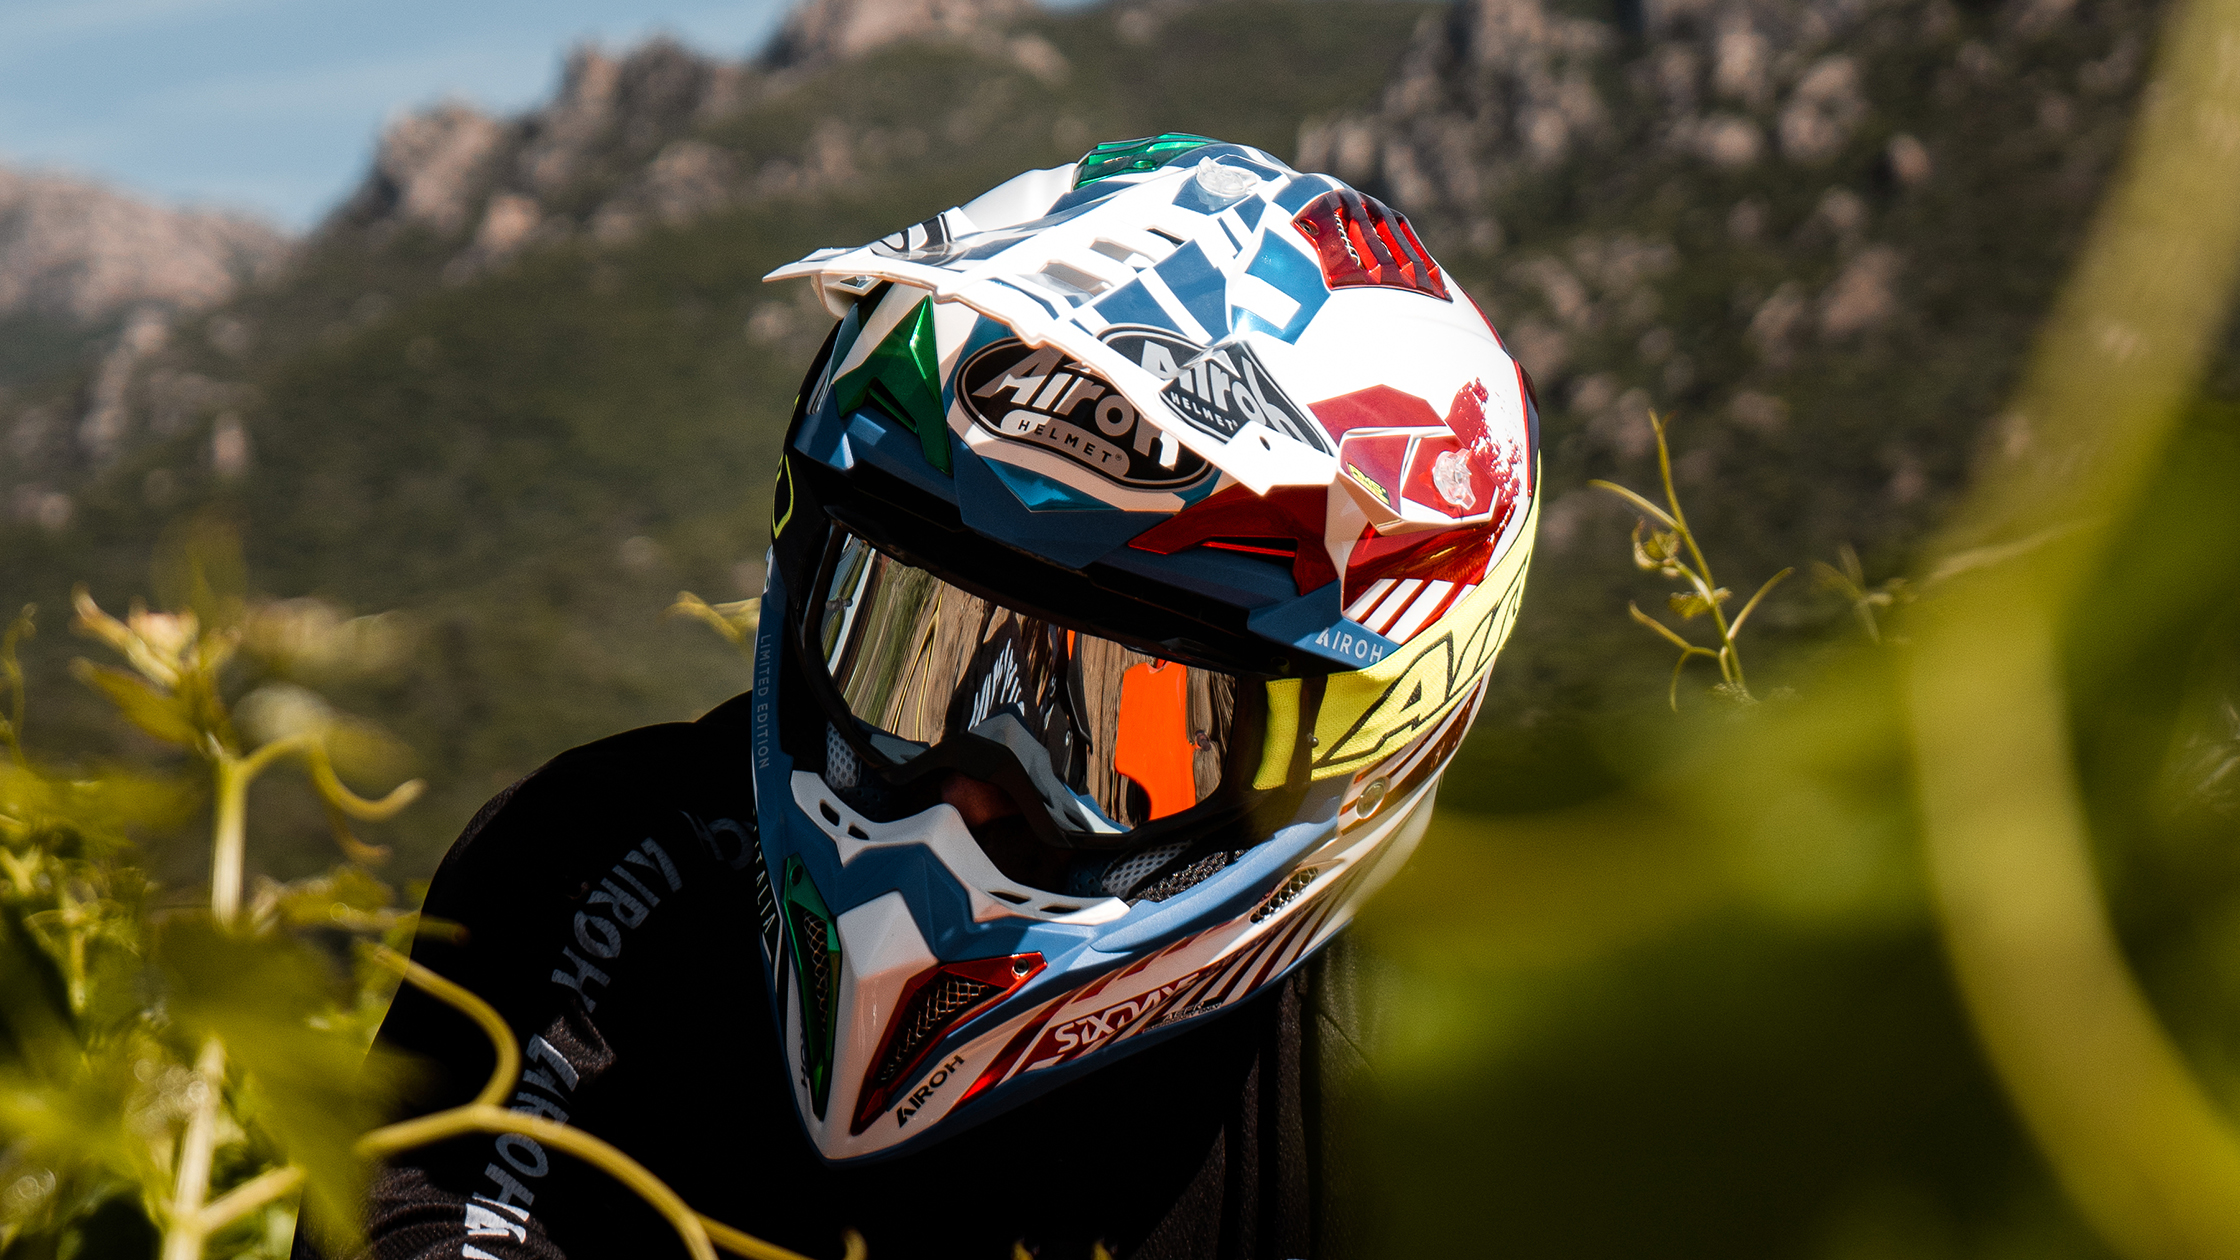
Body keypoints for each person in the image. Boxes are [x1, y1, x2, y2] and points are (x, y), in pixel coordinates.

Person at [299, 134, 1538, 1260]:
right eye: (912, 647)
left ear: (1362, 743)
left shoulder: (1429, 1083)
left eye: (1122, 733)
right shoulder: (599, 869)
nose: (966, 796)